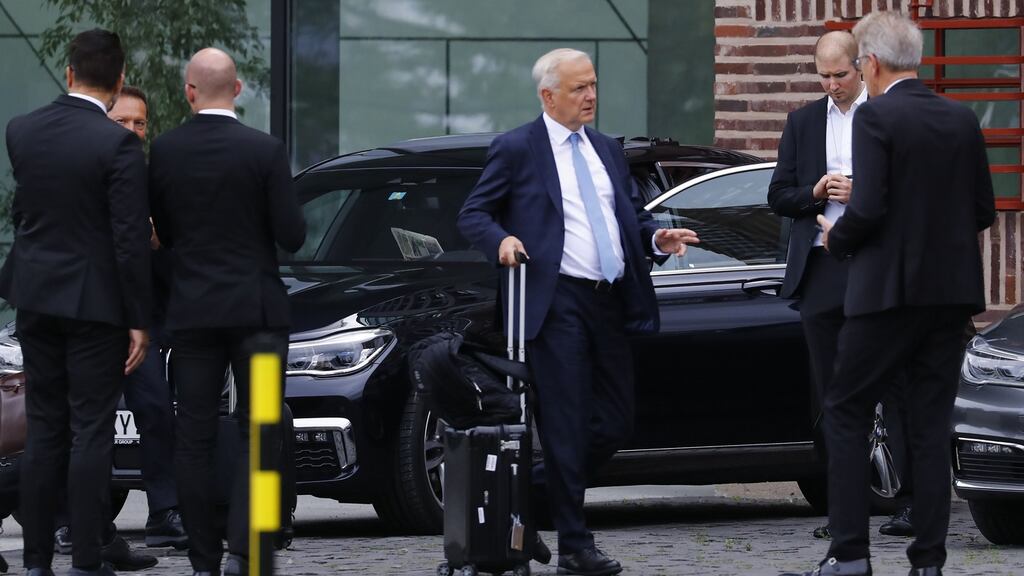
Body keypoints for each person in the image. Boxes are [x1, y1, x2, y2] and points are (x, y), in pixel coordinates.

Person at [457, 48, 698, 576]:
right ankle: (575, 545)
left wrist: (657, 237)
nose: (590, 96)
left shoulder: (607, 149)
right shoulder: (517, 148)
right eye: (578, 88)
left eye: (593, 85)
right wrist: (500, 240)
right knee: (564, 425)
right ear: (548, 96)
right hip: (555, 301)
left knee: (615, 422)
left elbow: (628, 219)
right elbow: (474, 213)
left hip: (609, 301)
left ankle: (523, 499)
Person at [783, 11, 995, 576]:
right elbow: (982, 211)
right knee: (929, 427)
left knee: (847, 410)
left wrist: (837, 235)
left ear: (870, 64)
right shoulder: (961, 118)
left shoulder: (874, 119)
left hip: (885, 297)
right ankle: (928, 562)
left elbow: (869, 209)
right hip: (949, 299)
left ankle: (850, 554)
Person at [0, 29, 152, 576]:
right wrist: (140, 318)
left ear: (68, 74)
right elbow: (130, 240)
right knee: (91, 430)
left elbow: (26, 213)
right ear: (116, 83)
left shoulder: (23, 131)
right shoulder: (118, 145)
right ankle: (87, 559)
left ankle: (37, 561)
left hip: (35, 297)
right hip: (95, 304)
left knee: (44, 430)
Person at [148, 47, 305, 576]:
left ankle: (202, 560)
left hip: (193, 317)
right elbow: (293, 235)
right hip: (258, 318)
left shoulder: (165, 151)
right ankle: (248, 550)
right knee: (261, 429)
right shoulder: (264, 151)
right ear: (238, 90)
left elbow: (164, 234)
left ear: (188, 92)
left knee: (192, 435)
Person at [768, 30, 915, 539]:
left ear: (863, 66)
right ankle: (842, 508)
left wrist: (863, 192)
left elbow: (913, 191)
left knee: (894, 378)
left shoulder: (888, 116)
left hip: (875, 262)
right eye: (824, 76)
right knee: (831, 391)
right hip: (823, 267)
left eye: (841, 75)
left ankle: (911, 500)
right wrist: (814, 192)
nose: (832, 85)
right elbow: (778, 196)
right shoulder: (802, 123)